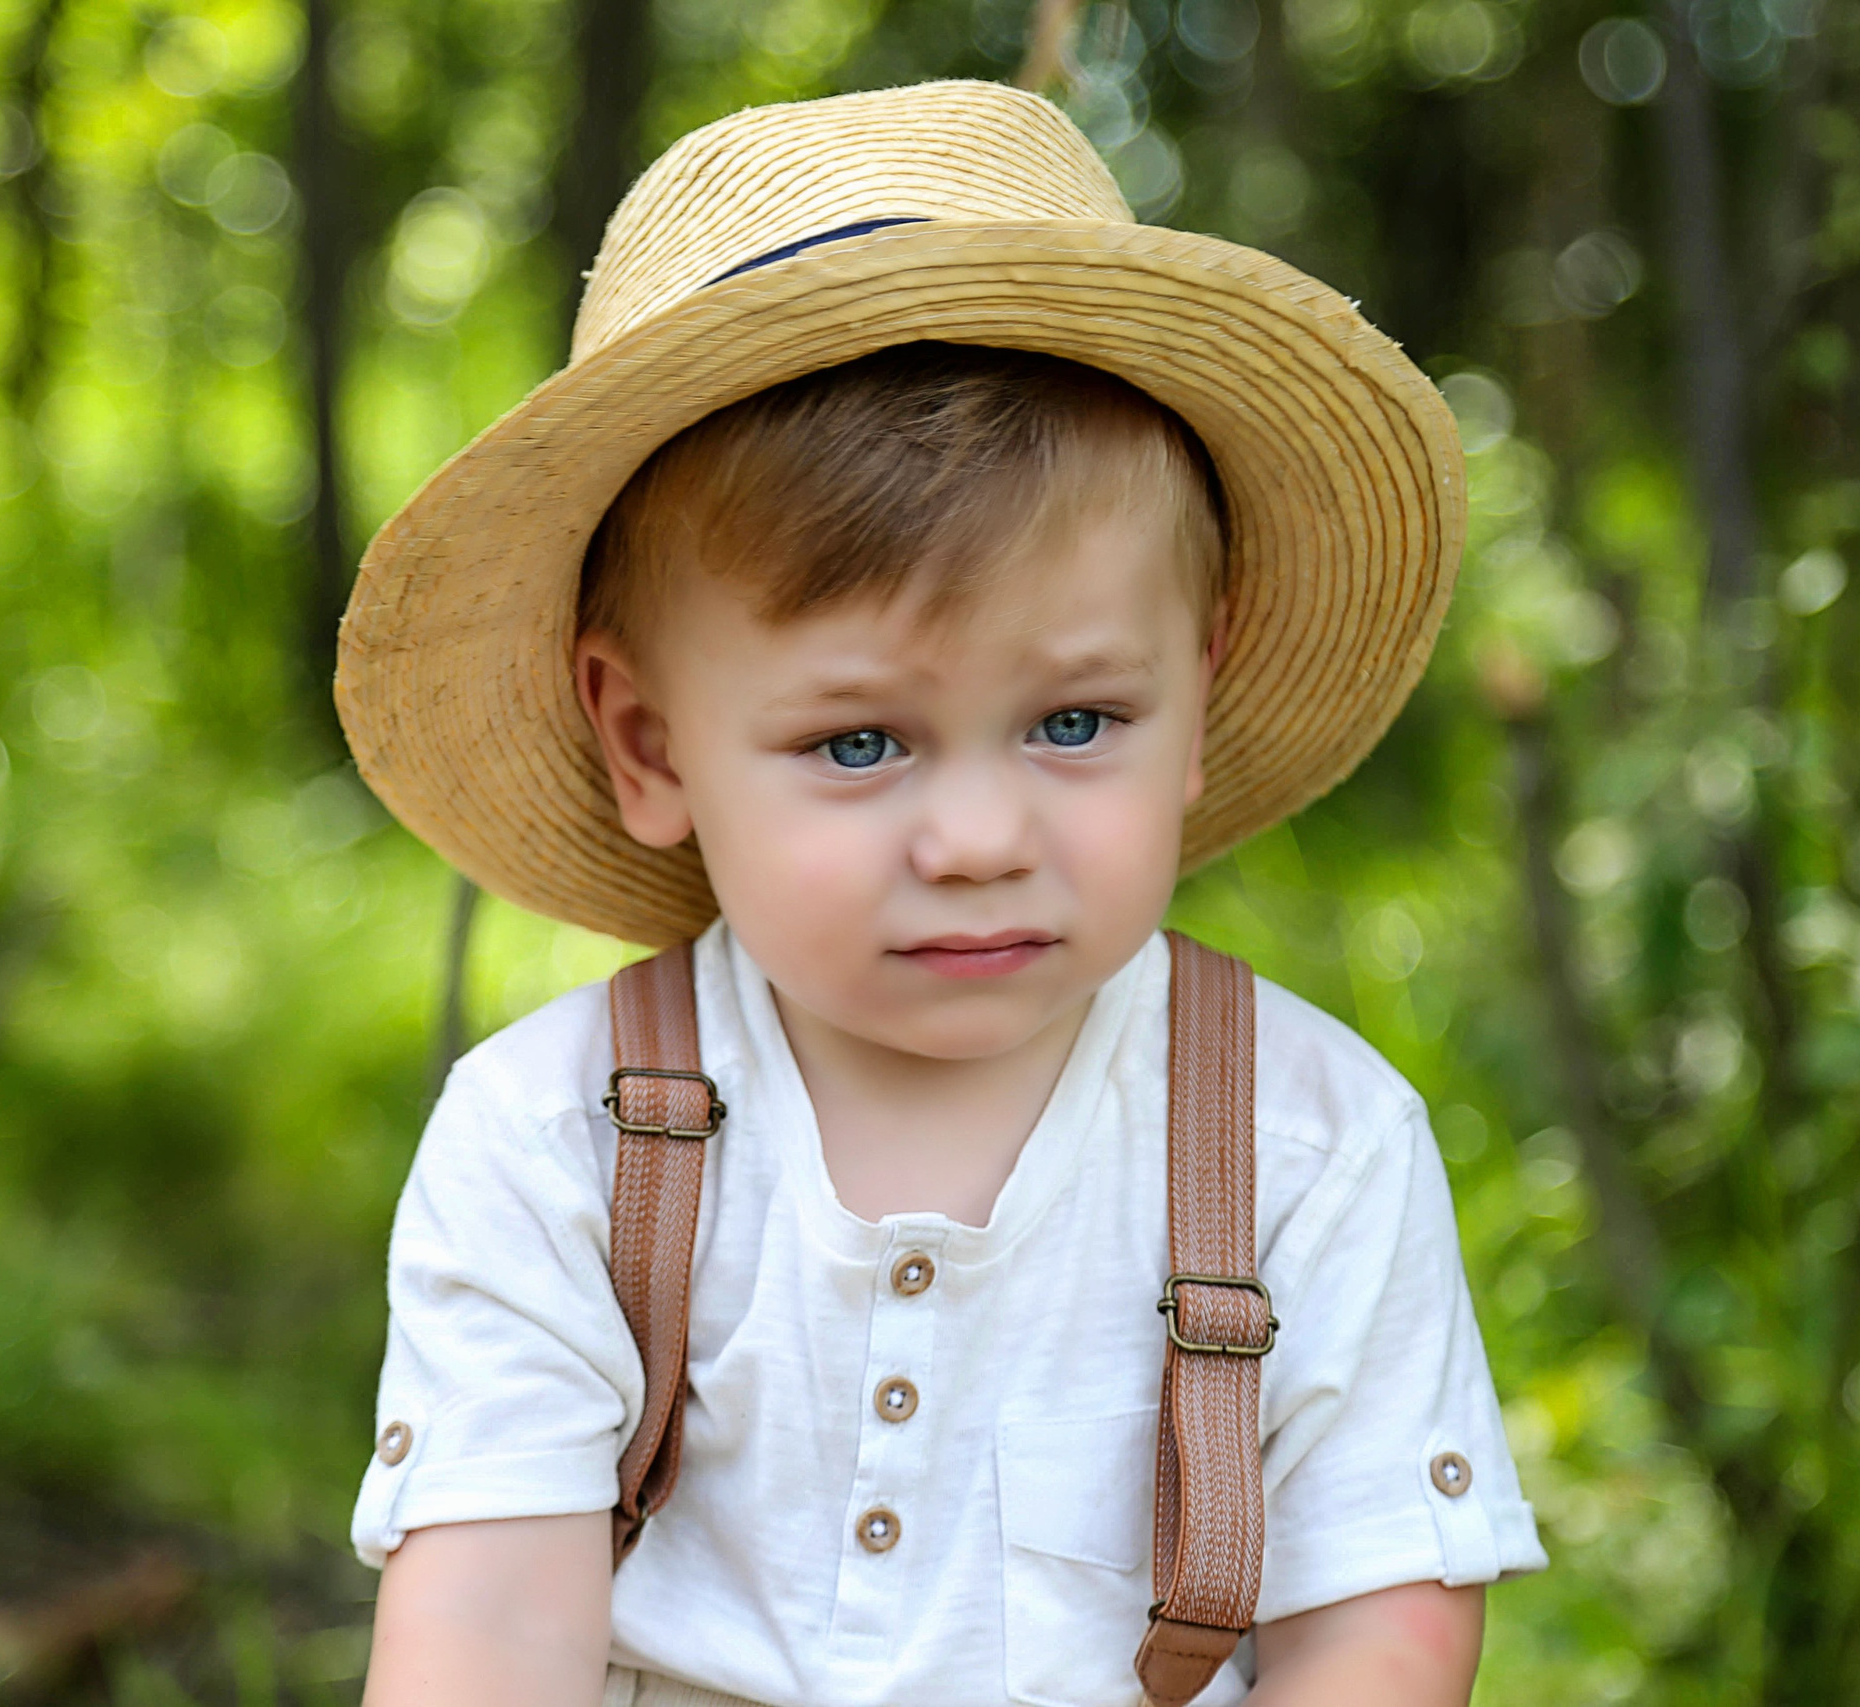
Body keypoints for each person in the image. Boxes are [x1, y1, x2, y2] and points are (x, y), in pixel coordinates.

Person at [334, 80, 1543, 1707]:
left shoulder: (1306, 1151)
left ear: (1200, 687)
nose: (977, 834)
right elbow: (485, 1636)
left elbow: (1378, 1629)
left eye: (1072, 723)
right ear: (649, 741)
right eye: (856, 743)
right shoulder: (558, 1143)